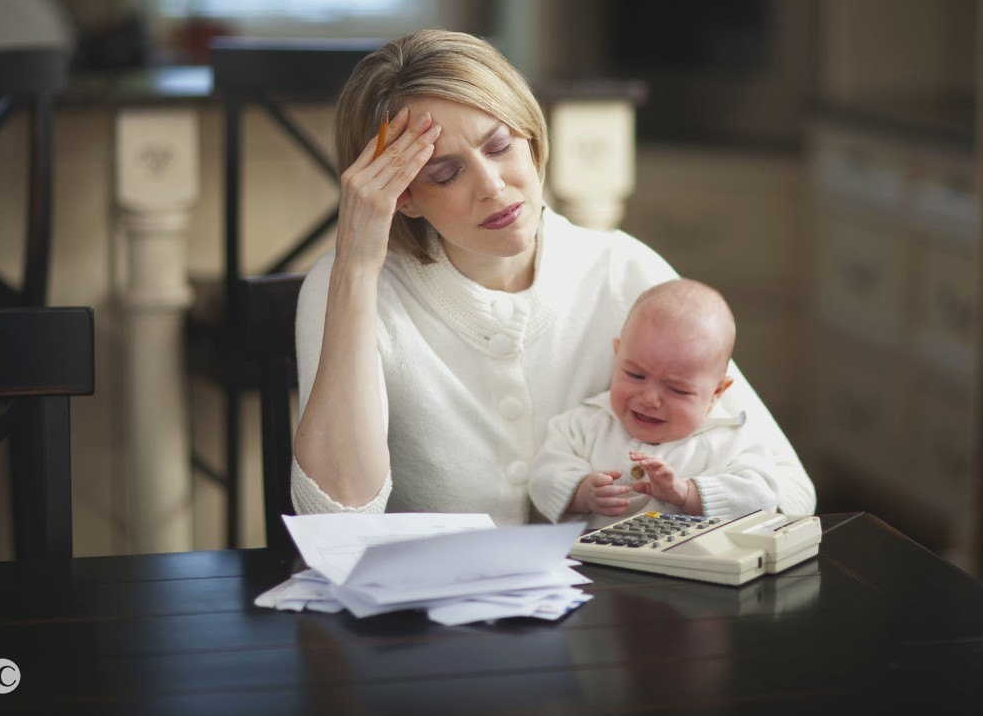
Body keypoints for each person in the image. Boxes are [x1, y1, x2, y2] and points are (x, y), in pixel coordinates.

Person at [292, 28, 814, 525]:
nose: (493, 186)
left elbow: (791, 493)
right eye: (446, 173)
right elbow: (337, 518)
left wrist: (688, 499)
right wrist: (355, 270)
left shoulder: (622, 271)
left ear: (530, 134)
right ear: (403, 196)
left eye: (500, 146)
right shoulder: (351, 287)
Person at [529, 279, 776, 528]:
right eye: (636, 375)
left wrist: (688, 493)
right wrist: (582, 492)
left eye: (677, 390)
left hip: (687, 552)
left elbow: (761, 498)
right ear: (617, 355)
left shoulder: (728, 439)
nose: (649, 399)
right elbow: (544, 476)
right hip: (588, 551)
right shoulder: (585, 424)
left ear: (717, 392)